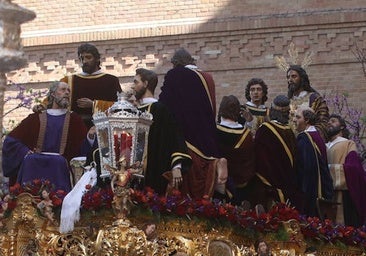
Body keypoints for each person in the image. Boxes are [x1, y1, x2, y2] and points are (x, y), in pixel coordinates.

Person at [159, 48, 227, 199]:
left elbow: (165, 105)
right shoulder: (207, 77)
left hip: (187, 140)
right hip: (209, 139)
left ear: (176, 63)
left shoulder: (176, 74)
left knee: (185, 192)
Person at [2, 81, 88, 192]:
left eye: (68, 91)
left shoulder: (74, 120)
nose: (67, 93)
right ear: (52, 94)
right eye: (63, 89)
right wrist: (25, 152)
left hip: (60, 167)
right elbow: (11, 140)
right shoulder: (36, 118)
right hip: (35, 163)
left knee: (59, 163)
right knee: (30, 160)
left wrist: (90, 137)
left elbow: (84, 145)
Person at [34, 43, 122, 128]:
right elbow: (52, 99)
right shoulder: (68, 80)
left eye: (88, 57)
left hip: (102, 128)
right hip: (74, 128)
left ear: (97, 59)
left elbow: (121, 106)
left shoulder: (111, 80)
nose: (84, 61)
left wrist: (93, 104)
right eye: (81, 58)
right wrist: (41, 106)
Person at [133, 68, 191, 195]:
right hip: (133, 173)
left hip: (156, 168)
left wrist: (176, 167)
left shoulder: (161, 109)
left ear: (146, 84)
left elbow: (174, 138)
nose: (133, 86)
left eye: (136, 82)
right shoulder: (133, 110)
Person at [255, 95, 302, 211]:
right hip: (290, 187)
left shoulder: (265, 130)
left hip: (271, 190)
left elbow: (259, 160)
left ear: (272, 111)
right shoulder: (290, 132)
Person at [326, 114, 366, 226]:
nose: (329, 123)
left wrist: (328, 170)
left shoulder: (348, 144)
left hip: (342, 195)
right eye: (328, 121)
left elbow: (354, 169)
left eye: (333, 121)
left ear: (342, 127)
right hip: (326, 194)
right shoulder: (324, 145)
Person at [293, 106, 333, 217]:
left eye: (297, 117)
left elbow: (305, 169)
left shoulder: (304, 138)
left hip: (309, 193)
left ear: (307, 120)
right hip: (319, 191)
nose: (294, 120)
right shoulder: (317, 136)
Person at [216, 95, 255, 204]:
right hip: (241, 186)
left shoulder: (215, 131)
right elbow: (250, 160)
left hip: (220, 186)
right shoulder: (246, 134)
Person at [287, 65, 329, 140]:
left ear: (302, 78)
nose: (290, 80)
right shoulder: (287, 101)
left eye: (294, 76)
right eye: (288, 77)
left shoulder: (315, 99)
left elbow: (323, 123)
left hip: (307, 142)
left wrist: (308, 137)